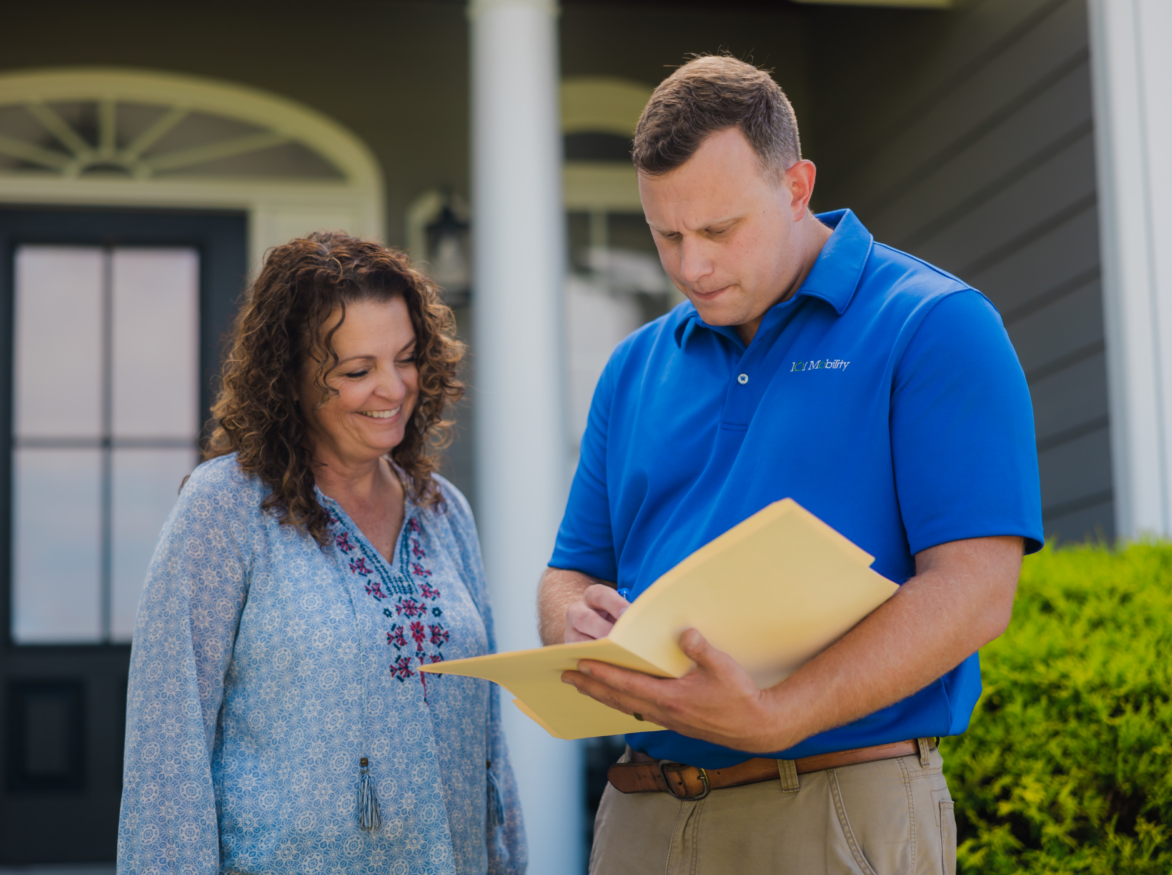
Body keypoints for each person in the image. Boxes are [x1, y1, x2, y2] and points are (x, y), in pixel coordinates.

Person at [540, 56, 1043, 874]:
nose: (691, 266)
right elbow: (570, 570)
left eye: (719, 230)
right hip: (639, 818)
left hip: (834, 807)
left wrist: (779, 712)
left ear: (797, 185)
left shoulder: (934, 326)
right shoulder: (632, 367)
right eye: (666, 234)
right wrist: (572, 621)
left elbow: (977, 590)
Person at [117, 232, 526, 875]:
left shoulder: (443, 510)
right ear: (292, 383)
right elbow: (168, 747)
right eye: (357, 371)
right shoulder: (223, 509)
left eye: (407, 358)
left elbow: (489, 742)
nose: (392, 389)